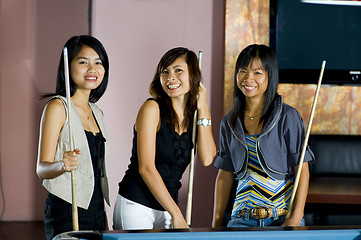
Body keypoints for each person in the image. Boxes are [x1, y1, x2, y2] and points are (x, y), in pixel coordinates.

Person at [113, 47, 216, 230]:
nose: (170, 78)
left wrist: (203, 108)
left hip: (168, 206)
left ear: (193, 75)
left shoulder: (195, 117)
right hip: (137, 204)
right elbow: (146, 169)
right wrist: (176, 213)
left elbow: (207, 158)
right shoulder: (151, 109)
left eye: (178, 70)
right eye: (165, 72)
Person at [212, 44, 314, 228]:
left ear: (270, 76)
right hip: (241, 219)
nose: (248, 78)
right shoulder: (229, 122)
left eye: (257, 72)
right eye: (243, 71)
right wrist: (217, 221)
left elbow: (302, 169)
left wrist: (296, 217)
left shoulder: (287, 116)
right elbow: (224, 174)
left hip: (281, 219)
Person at [36, 35, 110, 240]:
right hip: (66, 210)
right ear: (68, 67)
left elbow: (96, 173)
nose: (92, 69)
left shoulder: (98, 112)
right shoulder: (58, 107)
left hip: (97, 211)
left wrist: (103, 215)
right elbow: (41, 169)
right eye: (83, 62)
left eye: (98, 63)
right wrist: (62, 165)